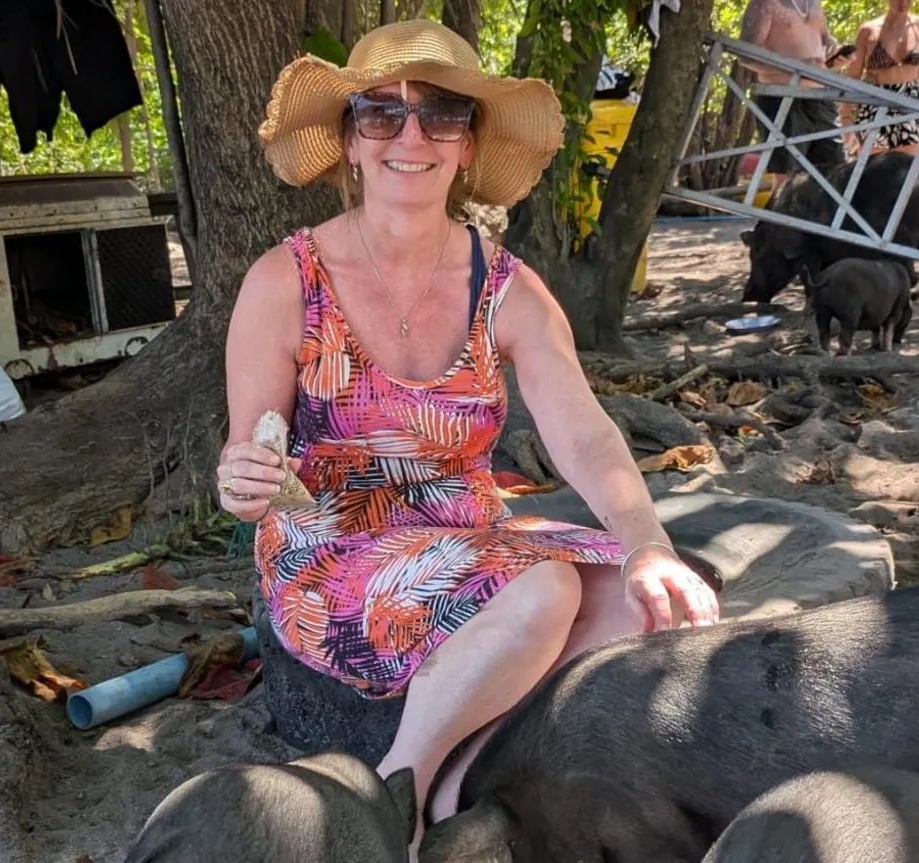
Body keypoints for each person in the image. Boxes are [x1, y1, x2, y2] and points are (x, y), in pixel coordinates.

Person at [219, 18, 721, 850]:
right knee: (548, 589)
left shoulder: (508, 288)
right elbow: (250, 459)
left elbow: (586, 435)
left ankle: (459, 778)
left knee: (663, 605)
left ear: (466, 143)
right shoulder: (285, 281)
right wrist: (244, 479)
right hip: (332, 549)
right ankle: (398, 799)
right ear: (348, 140)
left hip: (466, 541)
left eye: (440, 114)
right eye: (381, 113)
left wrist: (647, 545)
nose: (409, 136)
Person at [738, 0, 854, 186]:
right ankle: (774, 214)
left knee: (834, 172)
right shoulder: (765, 3)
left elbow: (824, 43)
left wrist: (837, 54)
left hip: (820, 97)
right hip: (781, 97)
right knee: (787, 178)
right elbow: (746, 55)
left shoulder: (814, 3)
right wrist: (794, 69)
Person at [837, 0, 919, 155]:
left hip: (909, 100)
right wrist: (845, 117)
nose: (902, 2)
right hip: (875, 100)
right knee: (872, 168)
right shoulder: (868, 31)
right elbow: (853, 76)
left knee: (908, 168)